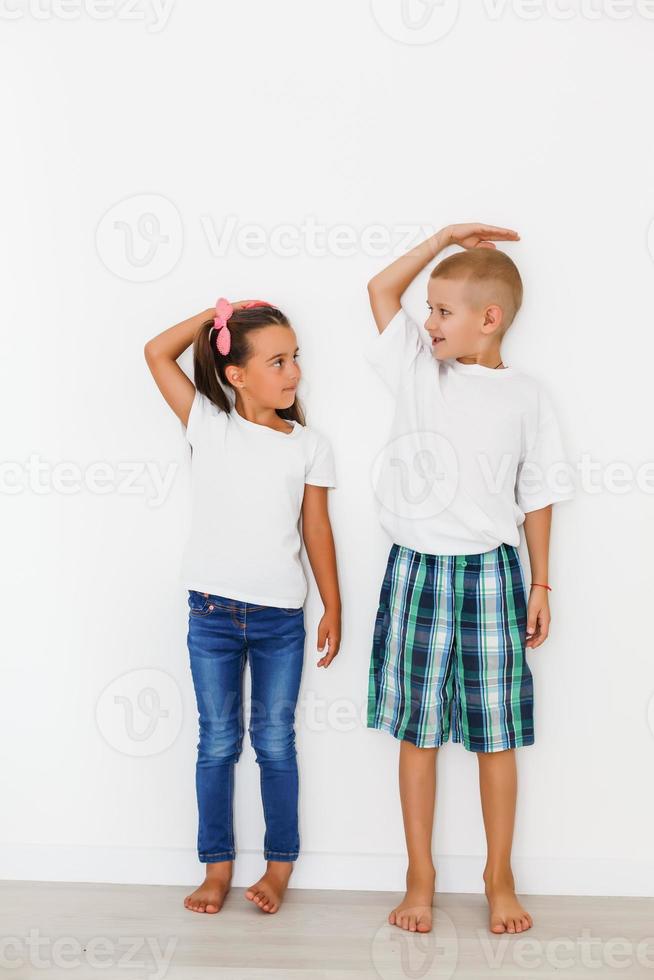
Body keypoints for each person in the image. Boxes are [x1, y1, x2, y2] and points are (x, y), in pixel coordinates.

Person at [364, 223, 575, 935]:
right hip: (418, 570)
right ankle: (418, 873)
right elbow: (379, 289)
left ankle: (498, 874)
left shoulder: (526, 396)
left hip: (492, 577)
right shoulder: (419, 370)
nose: (427, 322)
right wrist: (444, 239)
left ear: (491, 319)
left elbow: (538, 493)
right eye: (428, 310)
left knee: (495, 736)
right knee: (418, 733)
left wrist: (541, 584)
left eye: (443, 312)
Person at [144, 298, 341, 915]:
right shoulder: (209, 423)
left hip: (281, 619)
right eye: (278, 361)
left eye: (295, 359)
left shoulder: (309, 446)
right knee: (217, 742)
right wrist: (211, 317)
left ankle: (279, 867)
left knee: (275, 743)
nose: (293, 372)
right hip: (211, 615)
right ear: (237, 373)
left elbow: (317, 532)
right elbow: (155, 352)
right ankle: (217, 867)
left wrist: (333, 606)